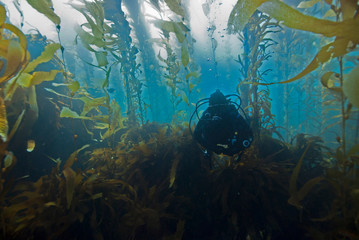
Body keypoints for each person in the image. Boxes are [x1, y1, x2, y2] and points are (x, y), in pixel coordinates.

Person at [190, 90, 253, 156]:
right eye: (215, 109)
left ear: (226, 106)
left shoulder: (231, 112)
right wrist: (213, 148)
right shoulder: (208, 113)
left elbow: (248, 134)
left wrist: (234, 149)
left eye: (221, 108)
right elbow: (196, 135)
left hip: (230, 142)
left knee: (247, 121)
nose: (218, 112)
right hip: (214, 143)